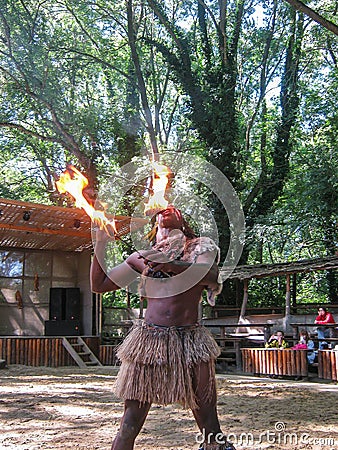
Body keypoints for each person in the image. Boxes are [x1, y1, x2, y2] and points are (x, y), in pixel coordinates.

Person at [90, 205, 236, 450]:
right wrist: (100, 244)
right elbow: (99, 284)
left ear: (183, 221)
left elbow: (209, 275)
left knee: (209, 420)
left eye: (173, 210)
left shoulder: (201, 247)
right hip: (149, 342)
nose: (165, 211)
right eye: (160, 213)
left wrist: (171, 266)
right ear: (155, 225)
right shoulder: (144, 257)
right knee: (129, 423)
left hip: (191, 340)